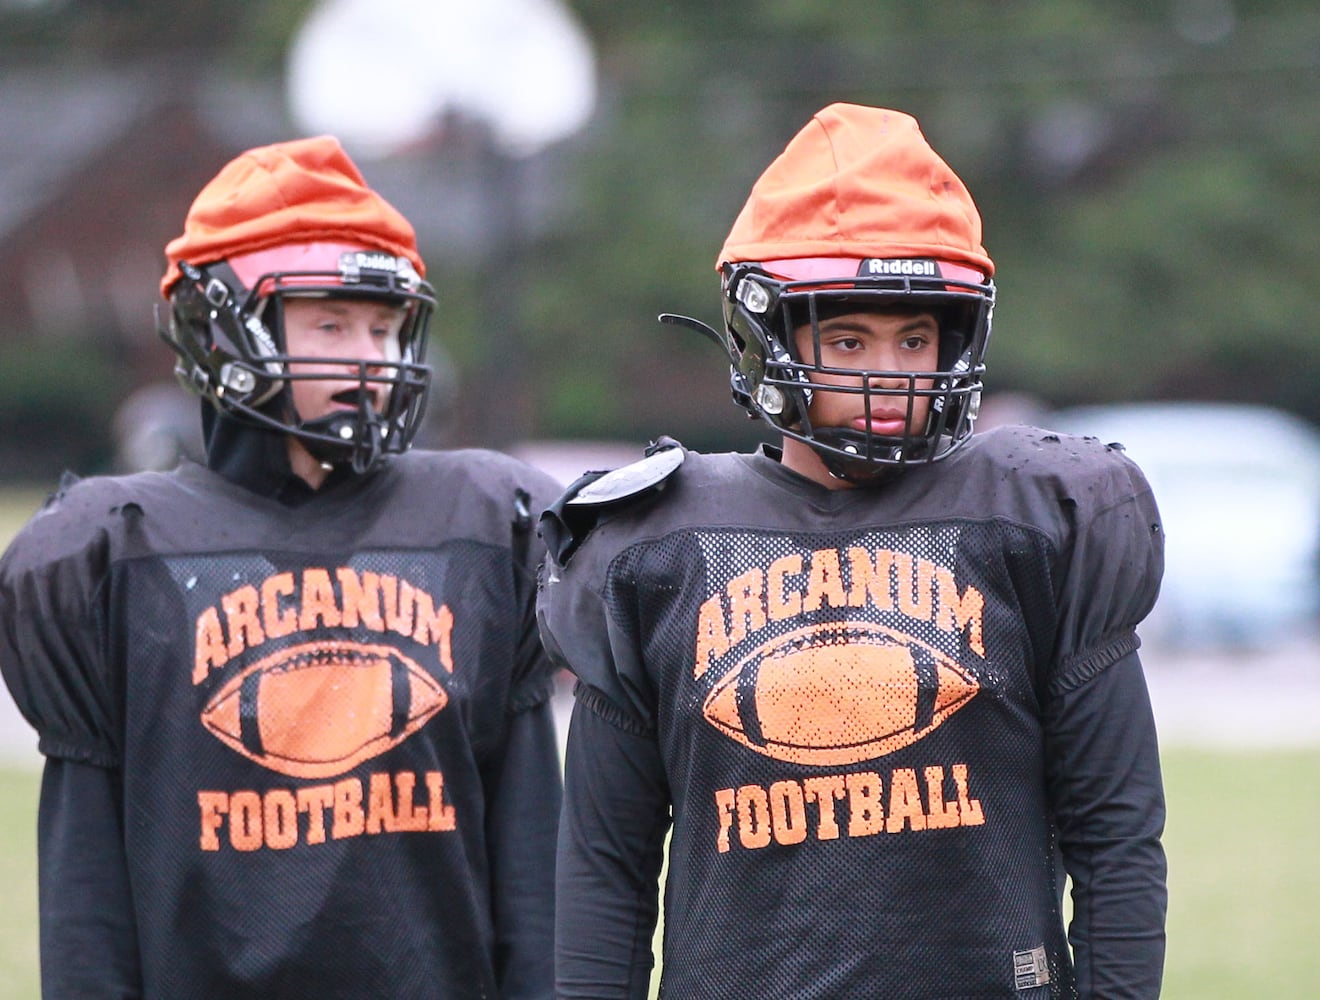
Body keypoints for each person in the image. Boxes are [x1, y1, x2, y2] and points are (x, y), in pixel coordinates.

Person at [537, 103, 1167, 998]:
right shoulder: (653, 544)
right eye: (846, 339)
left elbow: (1118, 836)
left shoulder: (1037, 521)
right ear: (769, 336)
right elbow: (608, 868)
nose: (885, 376)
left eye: (913, 339)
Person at [0, 136, 562, 998]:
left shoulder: (486, 527)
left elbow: (531, 869)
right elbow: (87, 892)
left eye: (383, 327)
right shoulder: (113, 552)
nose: (370, 358)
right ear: (226, 329)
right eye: (331, 323)